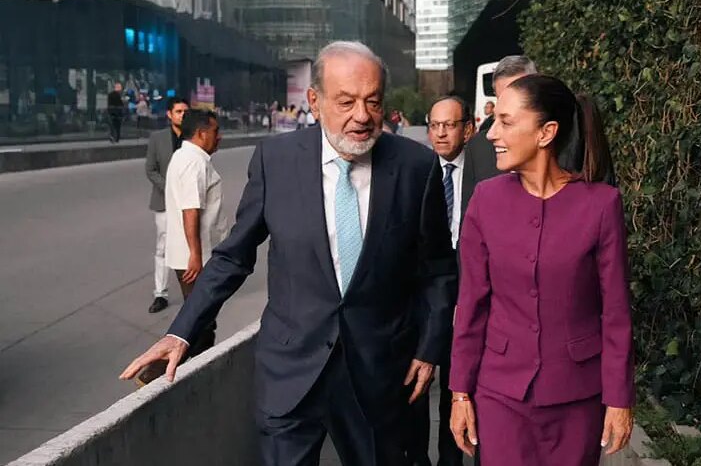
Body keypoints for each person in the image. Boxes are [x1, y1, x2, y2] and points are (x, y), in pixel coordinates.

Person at [120, 41, 457, 466]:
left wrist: (429, 348)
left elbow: (439, 271)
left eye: (373, 101)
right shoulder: (276, 161)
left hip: (378, 374)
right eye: (347, 101)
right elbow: (232, 256)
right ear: (314, 102)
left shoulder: (415, 167)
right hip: (291, 372)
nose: (362, 116)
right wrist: (181, 332)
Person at [448, 75, 635, 466]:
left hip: (577, 396)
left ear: (546, 132)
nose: (492, 134)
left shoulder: (601, 205)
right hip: (498, 393)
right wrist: (460, 393)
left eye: (506, 122)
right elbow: (471, 305)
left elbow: (616, 312)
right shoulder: (486, 199)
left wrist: (619, 398)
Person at [460, 56, 618, 219]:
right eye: (503, 97)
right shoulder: (479, 151)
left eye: (522, 92)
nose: (493, 134)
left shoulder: (577, 139)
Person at [135, 109, 225, 385]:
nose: (219, 137)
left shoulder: (185, 157)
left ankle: (193, 373)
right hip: (195, 257)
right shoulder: (193, 162)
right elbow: (190, 211)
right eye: (215, 131)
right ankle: (157, 374)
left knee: (200, 319)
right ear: (200, 133)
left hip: (191, 254)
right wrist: (196, 256)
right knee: (200, 322)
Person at [413, 96, 472, 466]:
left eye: (449, 125)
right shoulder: (416, 171)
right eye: (434, 125)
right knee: (416, 385)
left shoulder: (486, 171)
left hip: (468, 290)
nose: (440, 133)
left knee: (458, 383)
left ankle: (451, 460)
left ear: (468, 128)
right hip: (426, 294)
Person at [143, 96, 190, 314]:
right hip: (163, 203)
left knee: (190, 247)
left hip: (189, 203)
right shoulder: (158, 138)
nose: (182, 115)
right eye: (178, 111)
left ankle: (191, 293)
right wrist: (170, 188)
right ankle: (160, 294)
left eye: (185, 111)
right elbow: (150, 169)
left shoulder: (194, 137)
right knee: (162, 249)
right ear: (169, 114)